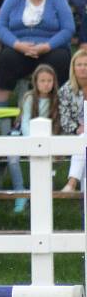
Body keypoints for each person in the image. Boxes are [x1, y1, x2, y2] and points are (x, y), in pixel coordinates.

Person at [0, 0, 74, 106]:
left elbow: (68, 29)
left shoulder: (58, 0)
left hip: (50, 49)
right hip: (19, 48)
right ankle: (1, 110)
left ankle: (58, 108)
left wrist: (47, 46)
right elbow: (1, 26)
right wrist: (18, 45)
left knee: (61, 59)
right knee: (6, 58)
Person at [13, 64, 61, 212]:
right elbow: (25, 121)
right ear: (36, 82)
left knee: (48, 159)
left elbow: (57, 124)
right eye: (42, 81)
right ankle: (20, 192)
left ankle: (44, 193)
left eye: (49, 81)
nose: (46, 84)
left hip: (49, 137)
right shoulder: (29, 97)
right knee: (12, 158)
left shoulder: (57, 99)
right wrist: (33, 140)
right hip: (28, 136)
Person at [57, 49, 87, 193]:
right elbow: (64, 118)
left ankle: (72, 183)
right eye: (79, 64)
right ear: (73, 67)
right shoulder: (65, 90)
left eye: (86, 64)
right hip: (75, 134)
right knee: (83, 138)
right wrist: (77, 128)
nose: (83, 68)